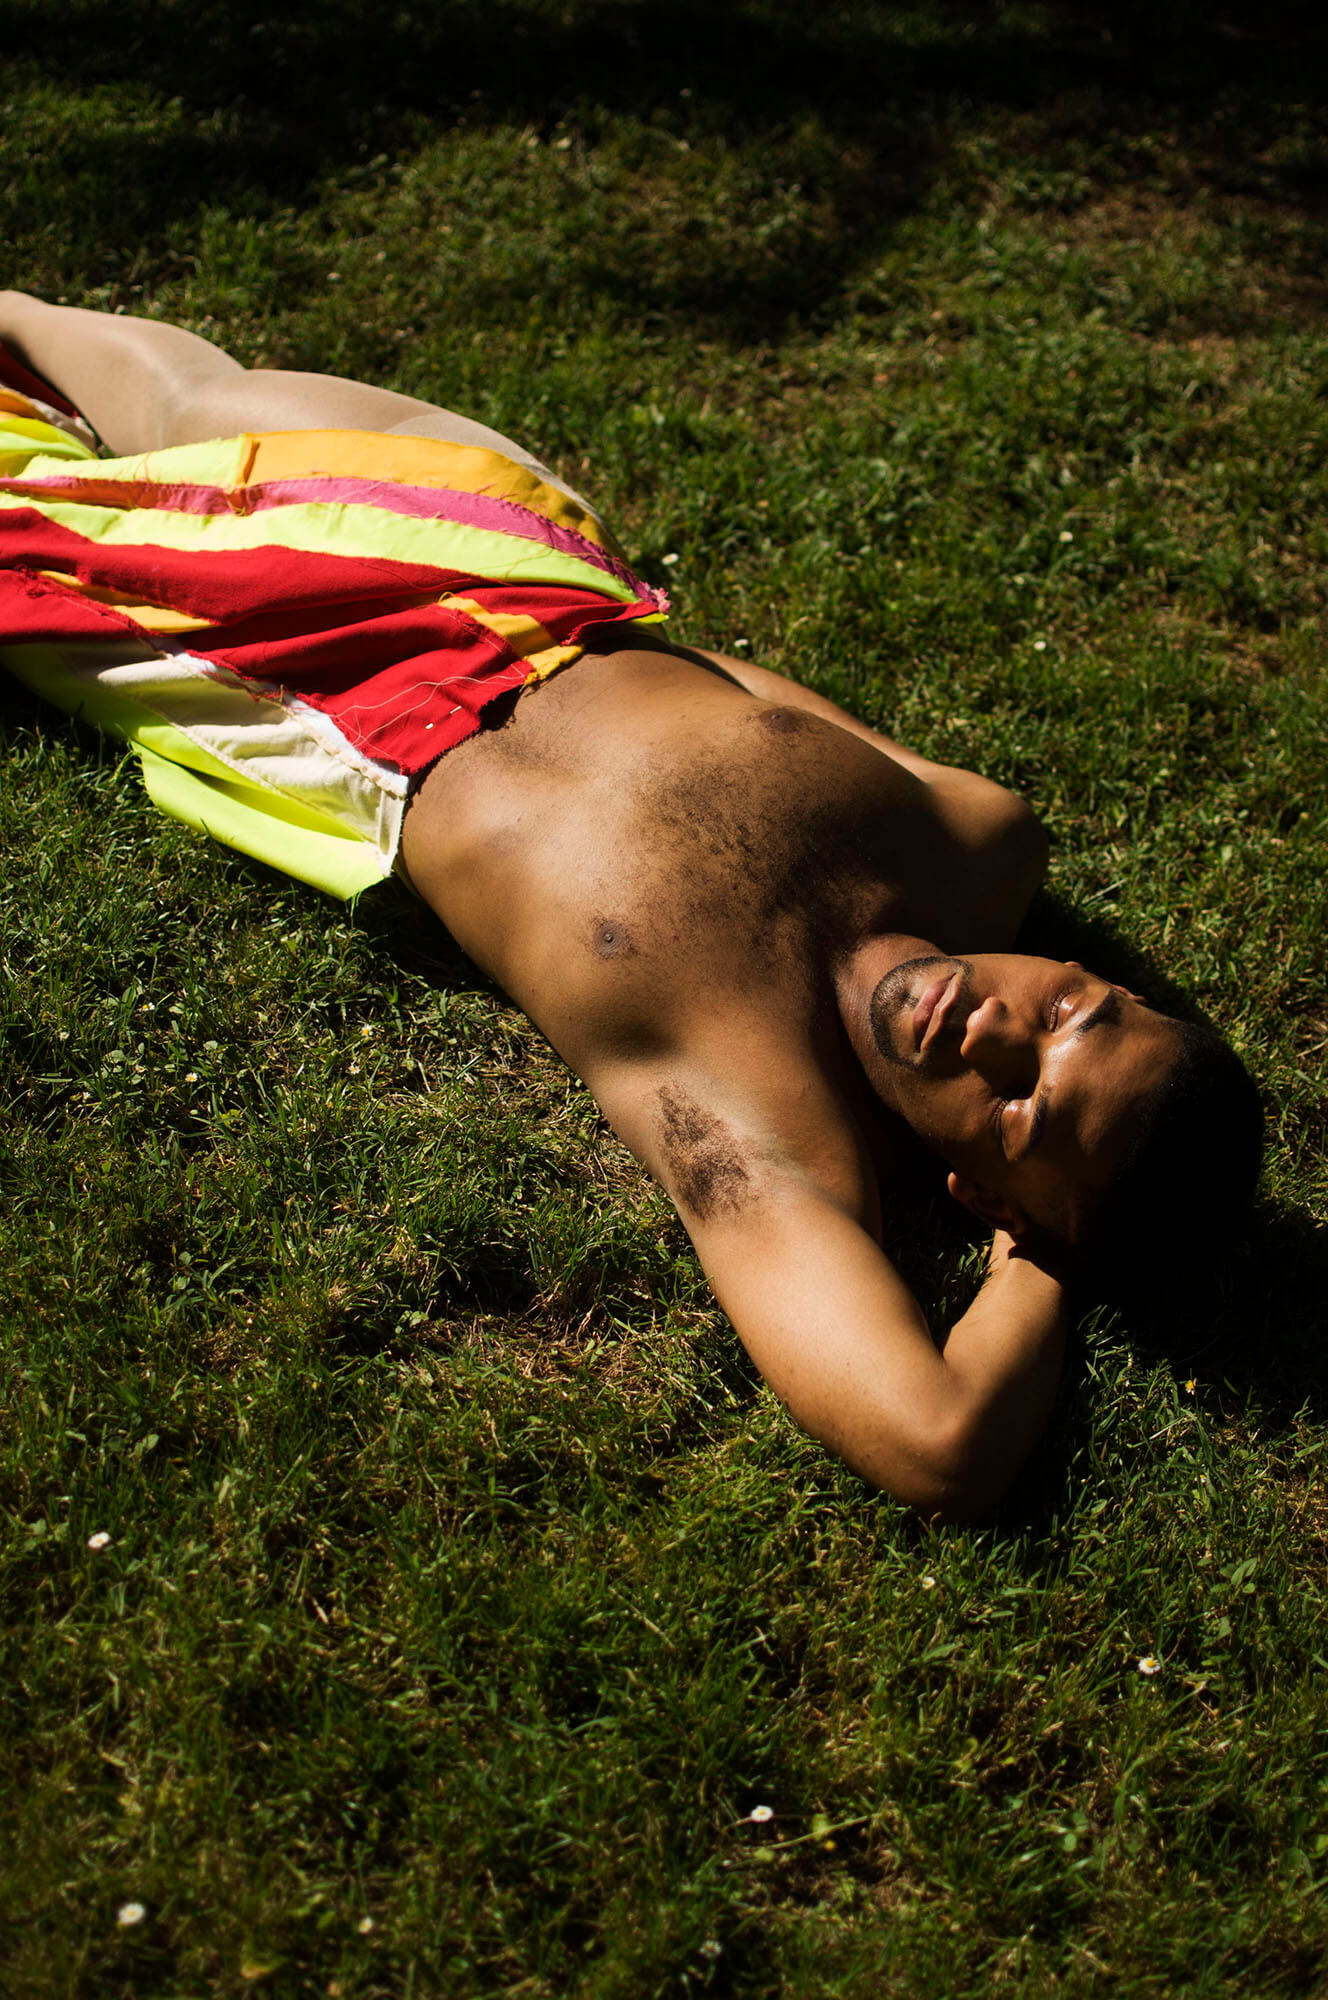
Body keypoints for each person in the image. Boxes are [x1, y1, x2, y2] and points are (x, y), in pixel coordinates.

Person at [0, 294, 1262, 1520]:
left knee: (27, 531)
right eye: (1067, 1016)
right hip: (508, 568)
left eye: (1017, 1106)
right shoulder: (980, 836)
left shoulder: (764, 1124)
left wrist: (1044, 1258)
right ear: (1102, 984)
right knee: (181, 393)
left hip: (335, 694)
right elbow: (743, 685)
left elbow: (940, 1444)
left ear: (985, 1196)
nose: (994, 1032)